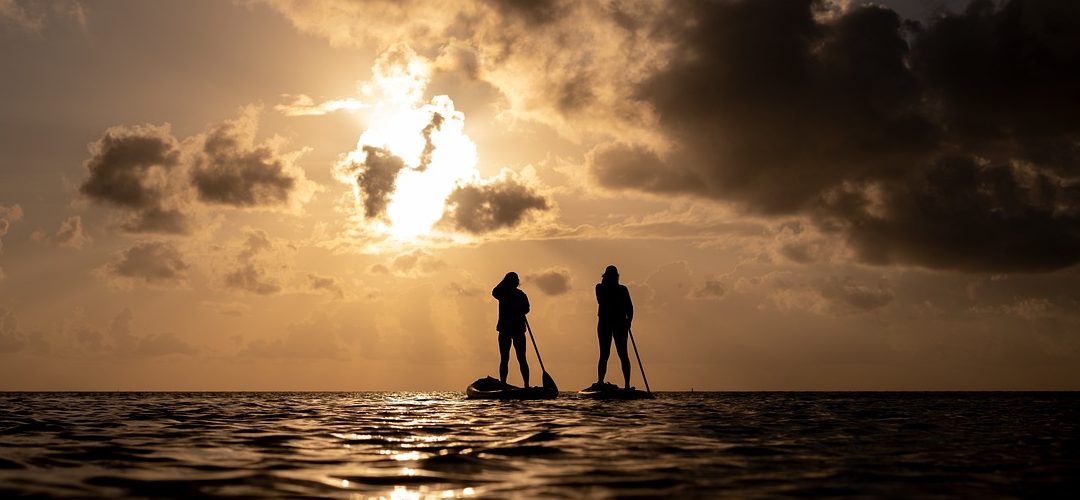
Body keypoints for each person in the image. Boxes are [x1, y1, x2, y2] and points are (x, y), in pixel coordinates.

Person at [596, 265, 634, 389]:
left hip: (620, 324)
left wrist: (629, 321)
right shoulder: (600, 288)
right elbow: (601, 301)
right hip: (605, 324)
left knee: (623, 354)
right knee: (604, 354)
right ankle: (600, 382)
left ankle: (627, 385)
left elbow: (630, 307)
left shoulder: (623, 289)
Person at [492, 272, 530, 387]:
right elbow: (494, 292)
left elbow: (527, 309)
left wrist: (520, 308)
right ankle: (522, 385)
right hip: (507, 329)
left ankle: (525, 385)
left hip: (514, 329)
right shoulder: (504, 293)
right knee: (510, 358)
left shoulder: (510, 294)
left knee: (517, 358)